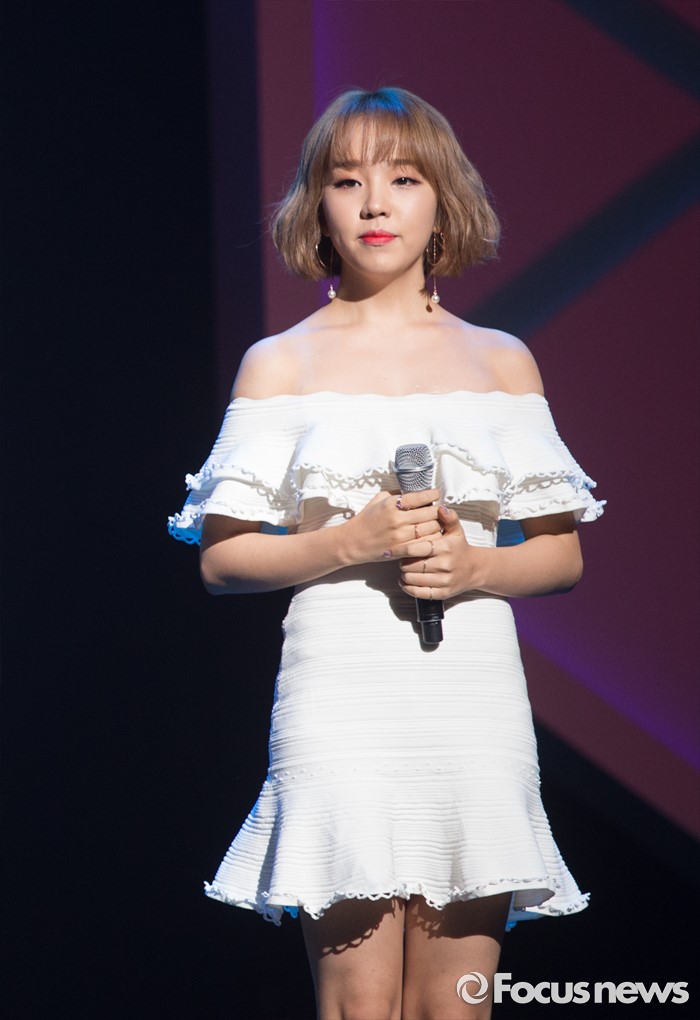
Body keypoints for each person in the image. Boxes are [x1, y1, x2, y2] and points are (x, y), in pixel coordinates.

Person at [169, 87, 604, 1020]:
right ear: (316, 205)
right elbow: (221, 560)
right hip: (341, 693)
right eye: (347, 181)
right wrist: (348, 542)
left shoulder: (500, 361)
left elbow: (560, 554)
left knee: (459, 1005)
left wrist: (476, 567)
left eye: (403, 179)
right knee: (358, 1003)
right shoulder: (280, 363)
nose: (375, 204)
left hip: (470, 697)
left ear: (441, 199)